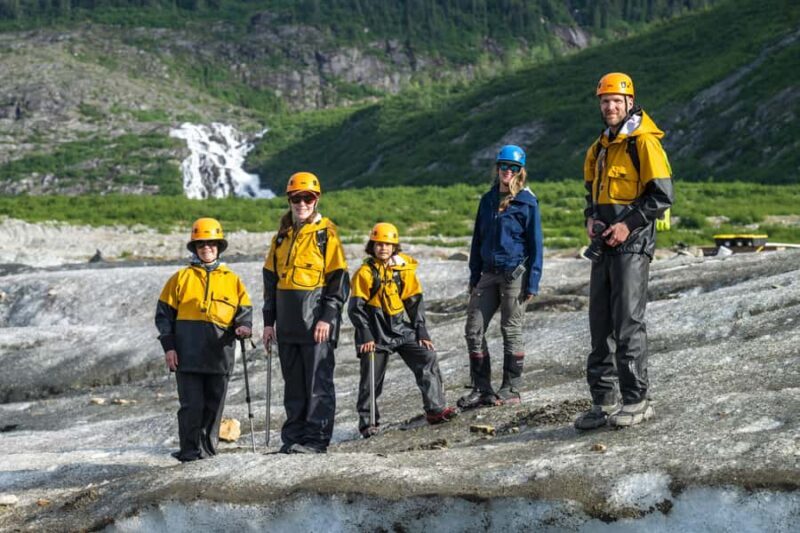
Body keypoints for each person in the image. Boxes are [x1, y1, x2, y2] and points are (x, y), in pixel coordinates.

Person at [574, 72, 673, 430]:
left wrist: (627, 225)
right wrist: (591, 217)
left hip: (633, 244)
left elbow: (662, 196)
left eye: (617, 100)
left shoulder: (643, 142)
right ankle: (602, 402)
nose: (610, 106)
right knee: (599, 324)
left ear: (630, 102)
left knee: (627, 322)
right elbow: (591, 191)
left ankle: (636, 400)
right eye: (605, 101)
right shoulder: (599, 147)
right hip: (605, 245)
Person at [262, 172, 349, 454]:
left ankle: (316, 440)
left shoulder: (327, 235)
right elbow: (270, 283)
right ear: (289, 200)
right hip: (288, 326)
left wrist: (327, 318)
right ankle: (293, 439)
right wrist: (268, 323)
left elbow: (339, 282)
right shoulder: (280, 239)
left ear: (316, 200)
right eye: (296, 198)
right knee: (294, 387)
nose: (302, 203)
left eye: (307, 198)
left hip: (316, 325)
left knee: (317, 385)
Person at [155, 218, 253, 462]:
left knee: (214, 405)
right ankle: (189, 451)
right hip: (187, 354)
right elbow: (164, 316)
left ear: (218, 247)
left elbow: (244, 313)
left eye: (211, 243)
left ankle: (208, 450)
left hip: (219, 356)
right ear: (195, 248)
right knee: (191, 405)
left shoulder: (232, 280)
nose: (206, 248)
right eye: (201, 244)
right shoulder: (180, 278)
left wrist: (244, 327)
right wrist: (169, 348)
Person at [348, 223, 458, 437]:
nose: (383, 248)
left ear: (394, 247)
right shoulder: (364, 273)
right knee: (371, 379)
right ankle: (368, 424)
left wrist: (421, 330)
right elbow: (355, 308)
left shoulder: (403, 270)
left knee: (427, 356)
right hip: (374, 332)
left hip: (399, 328)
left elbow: (414, 302)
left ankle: (435, 410)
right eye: (379, 244)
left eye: (388, 244)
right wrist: (365, 335)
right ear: (372, 246)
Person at [459, 145, 544, 409]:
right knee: (473, 330)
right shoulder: (487, 200)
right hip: (487, 274)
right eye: (504, 166)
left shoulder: (527, 202)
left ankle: (510, 388)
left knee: (511, 329)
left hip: (514, 275)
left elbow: (536, 245)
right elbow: (477, 240)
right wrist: (474, 275)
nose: (507, 171)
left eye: (513, 167)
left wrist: (533, 282)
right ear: (497, 168)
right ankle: (482, 389)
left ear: (520, 171)